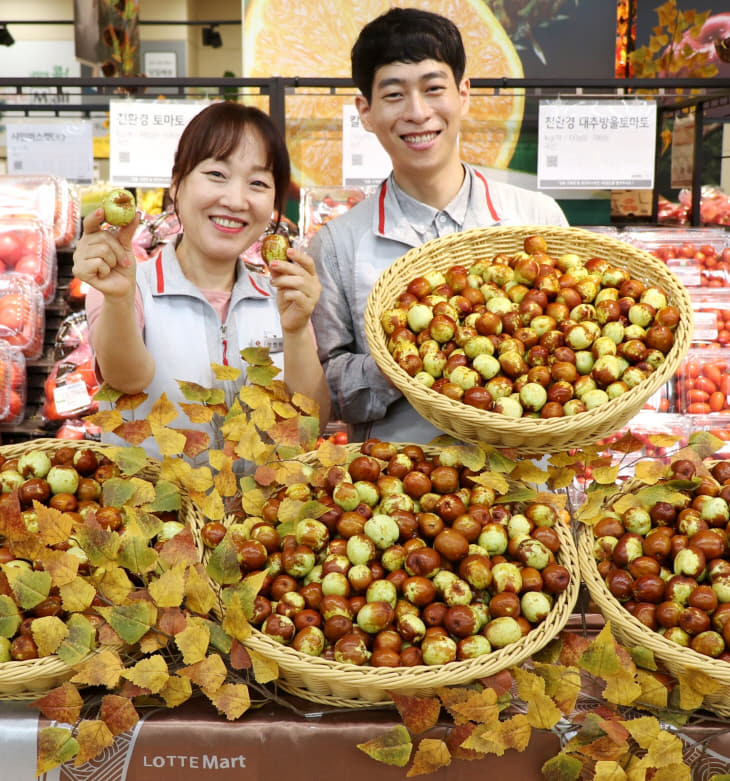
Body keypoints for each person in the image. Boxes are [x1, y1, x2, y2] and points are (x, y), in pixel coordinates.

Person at [309, 7, 569, 445]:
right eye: (394, 95)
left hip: (528, 489)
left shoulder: (537, 220)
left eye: (433, 89)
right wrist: (411, 359)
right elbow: (326, 392)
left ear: (463, 94)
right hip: (400, 498)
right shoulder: (338, 245)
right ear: (366, 112)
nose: (418, 112)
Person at [73, 101, 331, 457]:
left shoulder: (280, 296)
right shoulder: (129, 285)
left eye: (257, 182)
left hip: (259, 510)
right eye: (216, 175)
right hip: (155, 509)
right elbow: (127, 380)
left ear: (274, 202)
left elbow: (308, 426)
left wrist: (297, 330)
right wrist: (118, 297)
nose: (236, 200)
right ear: (177, 184)